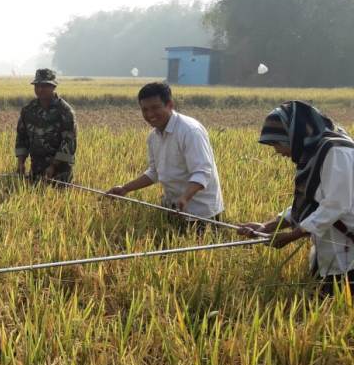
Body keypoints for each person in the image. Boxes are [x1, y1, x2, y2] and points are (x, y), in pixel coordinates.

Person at [239, 101, 354, 296]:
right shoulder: (315, 152)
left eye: (277, 142)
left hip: (347, 253)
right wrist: (267, 227)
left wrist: (290, 236)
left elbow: (335, 206)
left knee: (336, 306)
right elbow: (310, 203)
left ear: (293, 135)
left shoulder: (336, 151)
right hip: (331, 249)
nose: (277, 151)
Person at [106, 82, 224, 222]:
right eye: (145, 110)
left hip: (201, 214)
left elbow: (202, 172)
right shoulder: (153, 137)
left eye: (155, 108)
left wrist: (184, 198)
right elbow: (155, 172)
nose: (150, 114)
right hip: (173, 209)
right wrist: (125, 189)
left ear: (170, 105)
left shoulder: (190, 131)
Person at [15, 68, 77, 183]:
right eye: (37, 85)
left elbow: (68, 143)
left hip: (60, 173)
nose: (40, 89)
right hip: (35, 170)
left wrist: (53, 166)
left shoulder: (65, 112)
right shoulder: (28, 110)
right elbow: (21, 137)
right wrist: (21, 162)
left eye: (44, 86)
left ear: (53, 87)